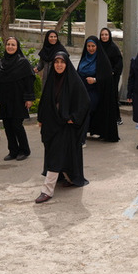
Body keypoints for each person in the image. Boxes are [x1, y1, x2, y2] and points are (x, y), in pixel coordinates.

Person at [35, 51, 90, 204]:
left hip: (65, 125)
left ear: (67, 64)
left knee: (55, 155)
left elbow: (85, 101)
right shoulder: (51, 80)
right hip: (52, 124)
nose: (59, 65)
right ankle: (70, 178)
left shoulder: (74, 80)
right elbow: (45, 101)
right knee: (58, 153)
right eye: (56, 62)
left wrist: (74, 117)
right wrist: (41, 118)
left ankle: (47, 190)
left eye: (62, 62)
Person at [0, 36, 35, 161]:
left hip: (18, 99)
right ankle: (13, 151)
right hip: (5, 99)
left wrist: (29, 98)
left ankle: (24, 150)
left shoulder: (23, 63)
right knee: (7, 125)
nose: (10, 47)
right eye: (8, 44)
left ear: (17, 47)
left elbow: (29, 82)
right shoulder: (2, 63)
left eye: (13, 45)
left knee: (16, 125)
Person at [77, 36, 119, 143]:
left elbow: (107, 77)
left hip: (96, 91)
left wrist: (95, 80)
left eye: (93, 46)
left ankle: (81, 137)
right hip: (83, 90)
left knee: (87, 109)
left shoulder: (102, 60)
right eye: (88, 46)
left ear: (97, 47)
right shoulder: (84, 58)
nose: (91, 48)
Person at [98, 27, 124, 124]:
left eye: (106, 35)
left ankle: (116, 118)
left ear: (109, 36)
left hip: (112, 77)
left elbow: (119, 63)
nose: (104, 37)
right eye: (102, 35)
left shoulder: (113, 48)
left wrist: (113, 71)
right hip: (100, 76)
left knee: (112, 97)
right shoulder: (98, 47)